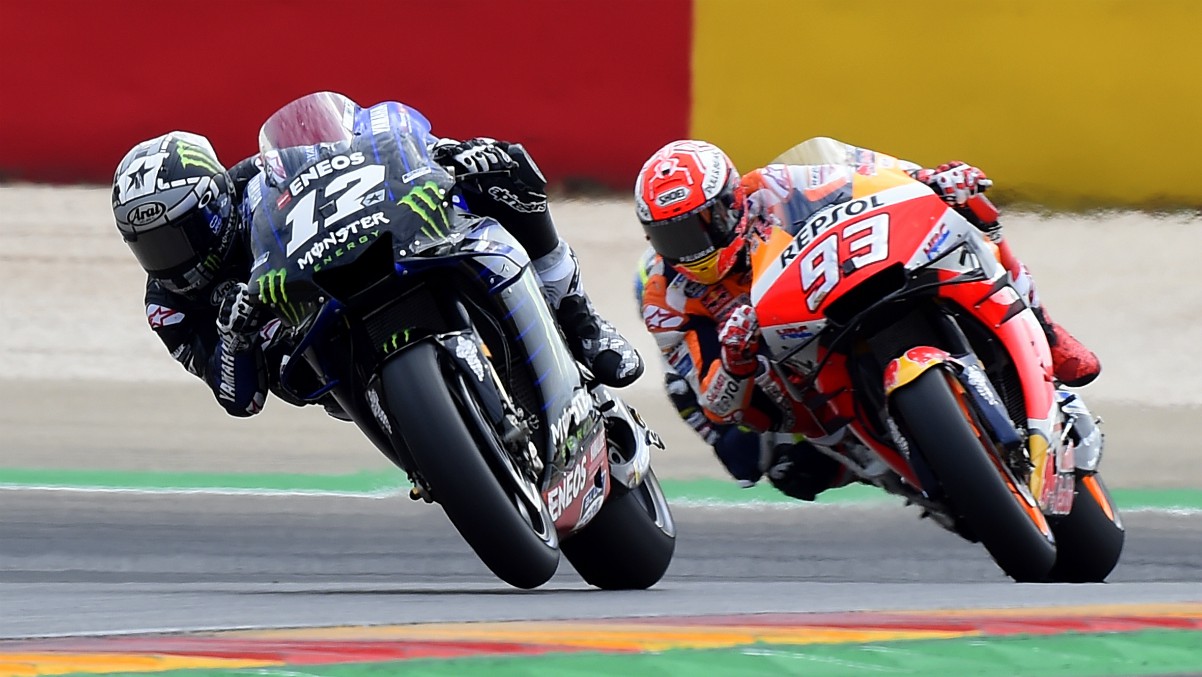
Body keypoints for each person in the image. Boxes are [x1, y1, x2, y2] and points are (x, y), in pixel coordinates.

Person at [110, 95, 642, 418]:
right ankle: (430, 444)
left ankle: (578, 314)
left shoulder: (257, 178)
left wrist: (440, 155)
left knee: (503, 166)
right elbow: (239, 400)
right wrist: (236, 336)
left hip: (358, 260)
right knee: (300, 378)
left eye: (175, 237)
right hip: (320, 362)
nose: (167, 259)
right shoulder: (169, 305)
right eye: (148, 247)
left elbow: (368, 139)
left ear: (214, 202)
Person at [632, 137, 1100, 497]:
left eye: (697, 227)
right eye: (670, 237)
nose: (689, 249)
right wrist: (735, 358)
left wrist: (931, 179)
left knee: (968, 209)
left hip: (837, 286)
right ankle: (860, 454)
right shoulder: (665, 296)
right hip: (794, 371)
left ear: (729, 202)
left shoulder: (772, 187)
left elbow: (866, 174)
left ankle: (1046, 330)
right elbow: (717, 405)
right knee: (780, 463)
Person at [633, 248, 845, 500]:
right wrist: (736, 371)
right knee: (790, 472)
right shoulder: (678, 382)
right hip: (786, 419)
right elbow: (739, 461)